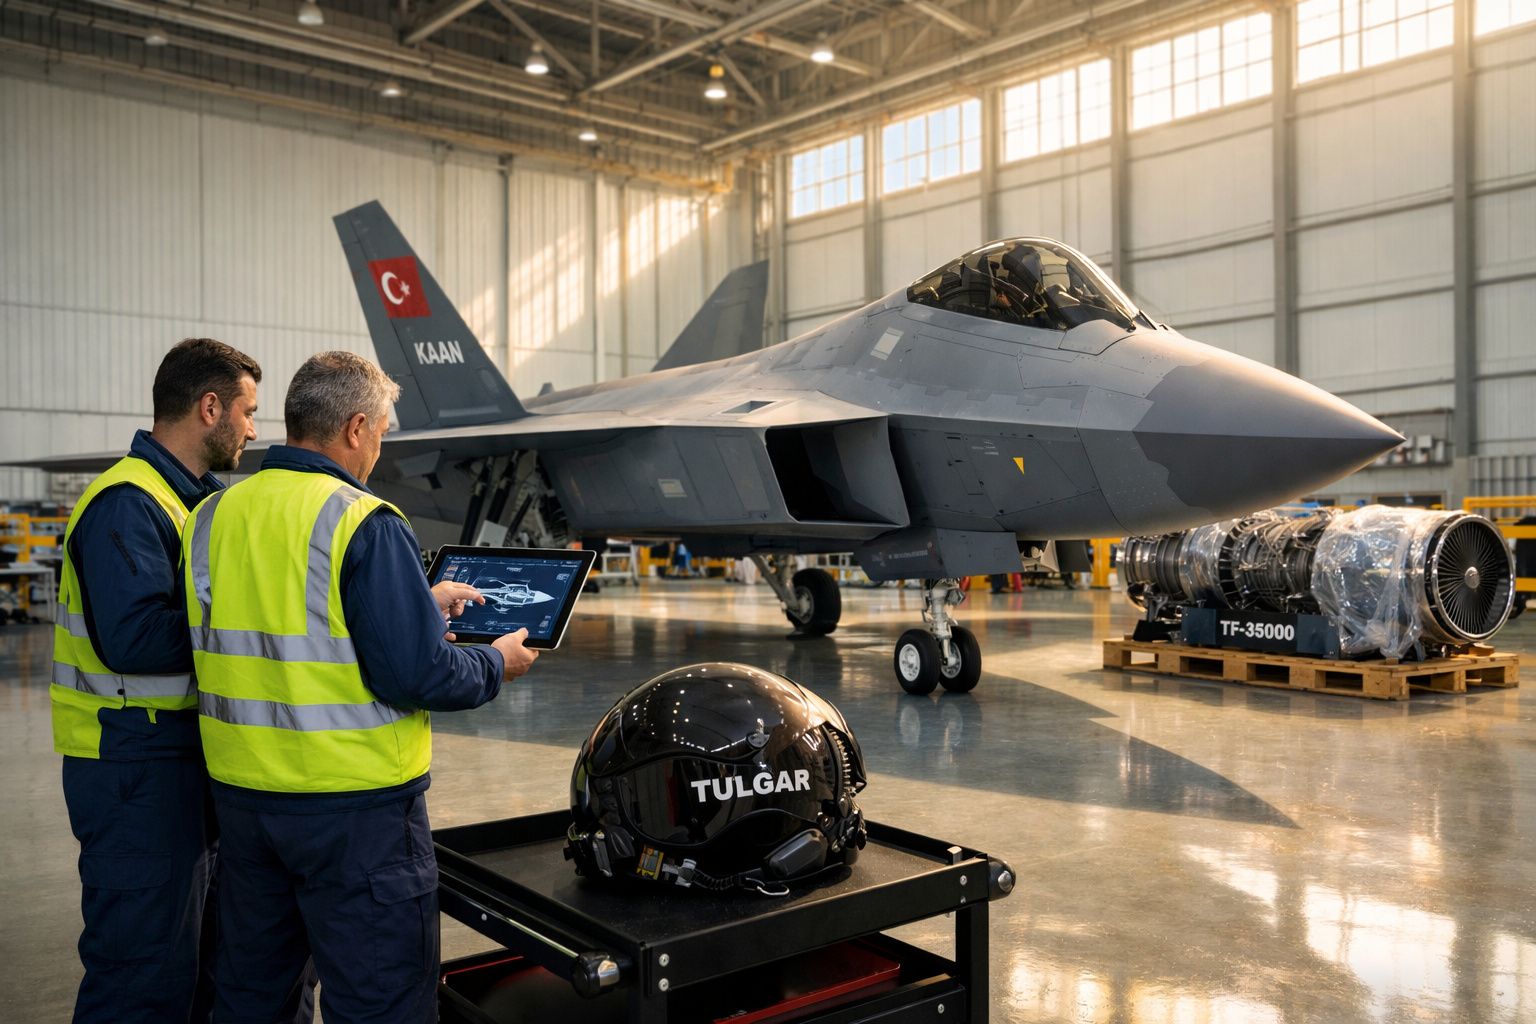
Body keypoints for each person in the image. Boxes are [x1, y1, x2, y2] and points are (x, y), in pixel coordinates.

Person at [183, 350, 538, 1022]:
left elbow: (281, 618)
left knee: (252, 995)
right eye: (381, 430)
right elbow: (418, 674)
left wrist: (413, 604)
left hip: (245, 805)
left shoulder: (213, 516)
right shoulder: (362, 520)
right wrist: (497, 662)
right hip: (354, 814)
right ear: (353, 428)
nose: (381, 446)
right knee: (381, 1003)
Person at [52, 338, 260, 1022]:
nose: (253, 430)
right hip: (130, 766)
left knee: (185, 964)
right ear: (209, 408)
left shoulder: (185, 503)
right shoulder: (127, 503)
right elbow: (135, 639)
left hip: (168, 759)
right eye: (248, 411)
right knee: (140, 975)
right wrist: (248, 634)